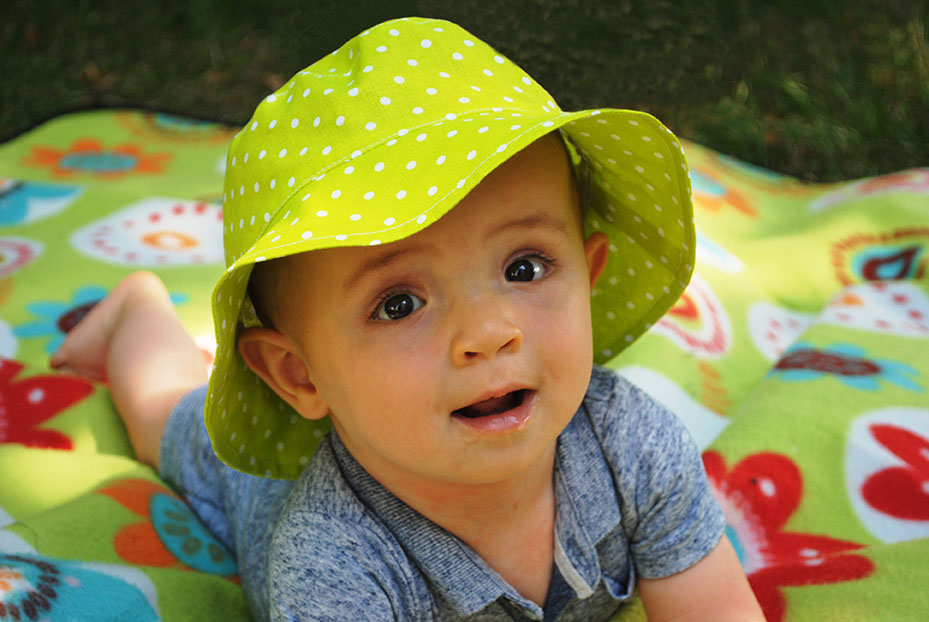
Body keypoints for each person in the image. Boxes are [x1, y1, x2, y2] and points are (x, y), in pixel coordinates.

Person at [51, 16, 764, 622]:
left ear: (588, 274)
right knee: (163, 413)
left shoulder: (631, 446)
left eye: (524, 268)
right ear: (298, 374)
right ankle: (136, 311)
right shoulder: (334, 564)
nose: (489, 332)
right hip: (254, 484)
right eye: (399, 304)